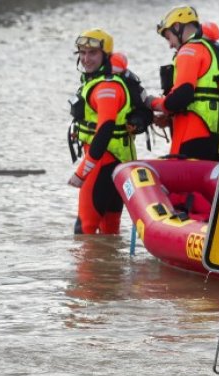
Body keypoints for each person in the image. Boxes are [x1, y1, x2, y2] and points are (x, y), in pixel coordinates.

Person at [67, 28, 143, 234]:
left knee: (84, 229)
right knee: (109, 230)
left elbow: (105, 128)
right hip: (119, 164)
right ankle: (110, 267)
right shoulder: (104, 82)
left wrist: (82, 171)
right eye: (82, 53)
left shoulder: (105, 87)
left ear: (106, 56)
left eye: (92, 53)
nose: (86, 59)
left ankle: (88, 267)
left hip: (102, 163)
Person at [150, 5, 219, 161]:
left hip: (193, 136)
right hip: (218, 138)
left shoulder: (189, 50)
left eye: (169, 37)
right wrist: (169, 118)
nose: (170, 45)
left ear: (177, 26)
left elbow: (182, 95)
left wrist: (154, 103)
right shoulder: (212, 52)